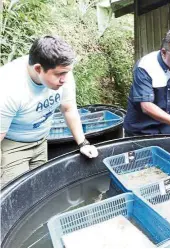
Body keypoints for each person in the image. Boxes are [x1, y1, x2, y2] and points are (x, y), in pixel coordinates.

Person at [0, 35, 98, 186]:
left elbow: (68, 109)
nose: (65, 79)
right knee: (16, 195)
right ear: (38, 68)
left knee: (40, 188)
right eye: (60, 74)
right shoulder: (9, 87)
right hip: (12, 147)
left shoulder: (63, 70)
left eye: (67, 72)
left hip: (42, 141)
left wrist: (83, 143)